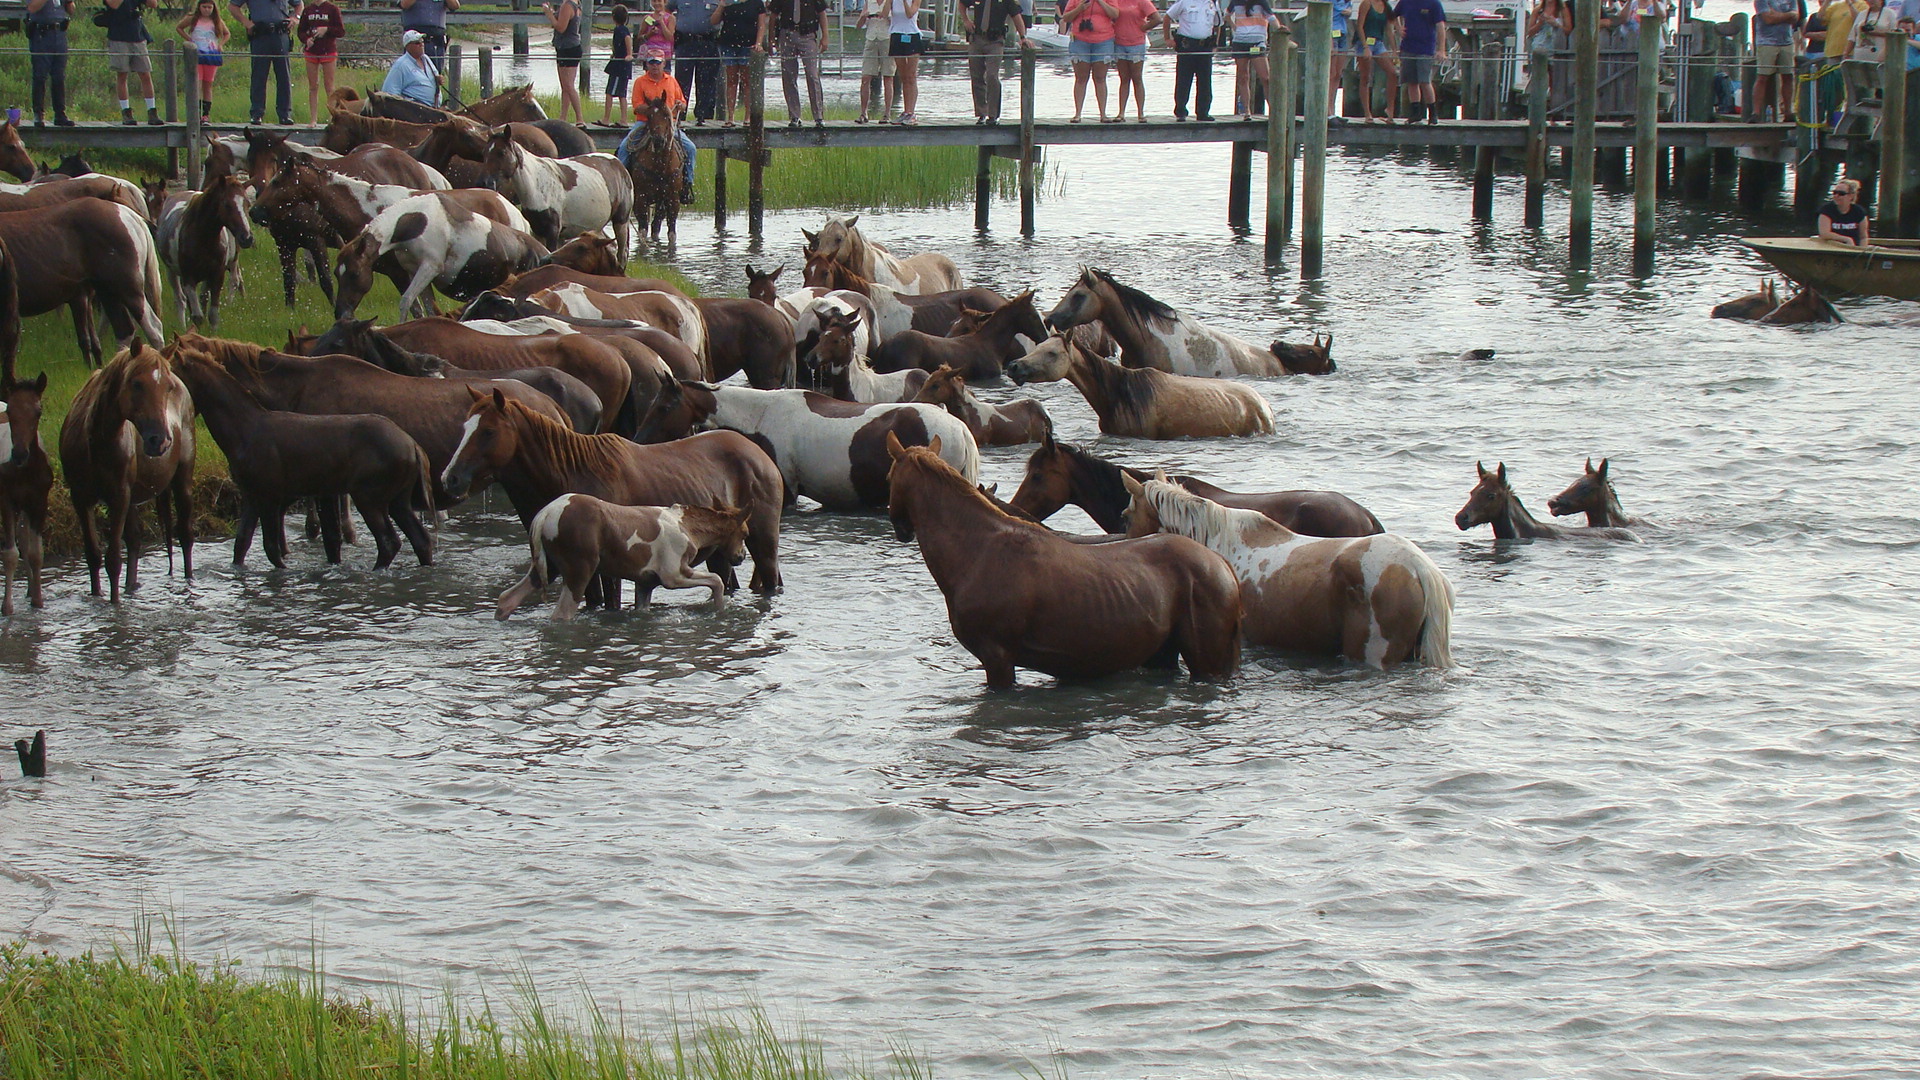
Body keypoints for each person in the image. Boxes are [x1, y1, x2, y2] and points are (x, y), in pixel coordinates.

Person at [620, 47, 698, 202]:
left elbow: (682, 102)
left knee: (691, 148)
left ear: (664, 64)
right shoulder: (640, 82)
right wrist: (653, 110)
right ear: (646, 64)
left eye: (657, 62)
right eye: (651, 62)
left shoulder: (671, 81)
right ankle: (621, 182)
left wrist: (680, 105)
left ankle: (687, 183)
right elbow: (637, 106)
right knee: (624, 147)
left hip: (668, 125)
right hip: (645, 123)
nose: (654, 66)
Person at [961, 0, 1029, 124]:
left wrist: (1023, 37)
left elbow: (1016, 16)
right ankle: (981, 113)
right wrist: (966, 20)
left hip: (995, 41)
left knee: (992, 75)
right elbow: (961, 4)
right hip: (976, 39)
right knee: (976, 76)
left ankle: (993, 115)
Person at [229, 0, 294, 126]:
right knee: (259, 76)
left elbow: (299, 4)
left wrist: (295, 18)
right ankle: (257, 113)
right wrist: (246, 23)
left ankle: (285, 114)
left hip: (280, 34)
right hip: (260, 34)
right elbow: (232, 6)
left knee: (284, 76)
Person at [102, 0, 164, 126]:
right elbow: (113, 4)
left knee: (145, 73)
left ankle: (152, 111)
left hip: (137, 35)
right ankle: (126, 111)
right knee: (122, 74)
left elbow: (153, 4)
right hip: (118, 35)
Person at [772, 0, 828, 129]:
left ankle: (818, 116)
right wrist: (772, 40)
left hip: (807, 35)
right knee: (789, 76)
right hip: (787, 34)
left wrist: (825, 36)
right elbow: (774, 15)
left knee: (812, 75)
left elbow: (822, 12)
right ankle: (794, 116)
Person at [1392, 0, 1446, 125]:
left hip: (1426, 48)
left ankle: (1433, 113)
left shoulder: (1434, 3)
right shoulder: (1405, 2)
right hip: (1408, 47)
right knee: (1411, 81)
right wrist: (1398, 28)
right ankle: (1415, 113)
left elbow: (1440, 26)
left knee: (1425, 81)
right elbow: (1392, 15)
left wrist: (1441, 49)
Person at [1062, 0, 1116, 122]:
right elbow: (1066, 17)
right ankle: (1078, 114)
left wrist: (1101, 2)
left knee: (1100, 78)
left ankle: (1103, 114)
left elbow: (1115, 14)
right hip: (1080, 41)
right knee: (1081, 78)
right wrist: (1079, 8)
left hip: (1103, 41)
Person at [715, 0, 767, 127]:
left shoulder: (756, 3)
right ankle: (730, 116)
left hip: (748, 45)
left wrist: (758, 43)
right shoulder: (728, 2)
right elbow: (714, 21)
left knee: (747, 81)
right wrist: (721, 6)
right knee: (731, 81)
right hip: (729, 44)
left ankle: (748, 116)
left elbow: (761, 25)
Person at [1163, 0, 1218, 121]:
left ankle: (1203, 112)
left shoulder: (1212, 4)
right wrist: (1167, 38)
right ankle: (1181, 112)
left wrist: (1215, 44)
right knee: (1184, 80)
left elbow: (1217, 24)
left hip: (1205, 46)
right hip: (1187, 45)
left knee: (1205, 81)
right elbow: (1167, 17)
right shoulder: (1184, 2)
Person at [25, 0, 75, 128]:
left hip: (59, 33)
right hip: (42, 34)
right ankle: (38, 113)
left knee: (59, 76)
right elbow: (32, 7)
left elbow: (72, 10)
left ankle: (60, 114)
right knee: (40, 75)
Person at [177, 0, 230, 120]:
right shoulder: (193, 19)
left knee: (208, 84)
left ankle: (205, 115)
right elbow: (179, 27)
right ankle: (194, 113)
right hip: (197, 54)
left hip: (211, 55)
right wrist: (189, 39)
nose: (207, 10)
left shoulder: (217, 21)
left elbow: (227, 34)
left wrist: (220, 44)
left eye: (209, 7)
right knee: (196, 83)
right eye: (204, 7)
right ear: (199, 7)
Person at [672, 0, 722, 126]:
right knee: (681, 83)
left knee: (707, 83)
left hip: (708, 42)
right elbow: (665, 11)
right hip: (685, 43)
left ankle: (704, 118)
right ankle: (678, 117)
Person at [1224, 0, 1274, 121]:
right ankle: (1247, 111)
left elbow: (1271, 17)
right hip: (1240, 42)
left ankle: (1273, 110)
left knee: (1266, 77)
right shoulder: (1235, 1)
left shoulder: (1262, 1)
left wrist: (1280, 28)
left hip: (1257, 42)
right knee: (1243, 76)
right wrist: (1234, 26)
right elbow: (1226, 15)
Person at [296, 0, 343, 125]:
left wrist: (326, 29)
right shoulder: (307, 10)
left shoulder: (332, 9)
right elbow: (300, 31)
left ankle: (332, 118)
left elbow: (340, 31)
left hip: (328, 51)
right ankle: (313, 119)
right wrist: (306, 39)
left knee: (329, 86)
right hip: (312, 51)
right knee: (313, 86)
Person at [1754, 0, 1802, 123]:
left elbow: (1795, 17)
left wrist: (1776, 15)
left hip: (1787, 42)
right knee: (1762, 77)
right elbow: (1767, 19)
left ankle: (1788, 112)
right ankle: (1756, 113)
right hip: (1766, 42)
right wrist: (1787, 15)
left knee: (1788, 76)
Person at [1109, 0, 1155, 122]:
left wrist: (1144, 28)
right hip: (1119, 43)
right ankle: (1121, 113)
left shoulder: (1142, 2)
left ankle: (1141, 113)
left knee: (1137, 78)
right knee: (1123, 78)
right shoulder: (1116, 1)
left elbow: (1157, 18)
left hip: (1136, 44)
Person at [1357, 0, 1399, 120]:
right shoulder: (1366, 4)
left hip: (1378, 43)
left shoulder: (1385, 6)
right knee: (1366, 77)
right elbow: (1360, 26)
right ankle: (1367, 113)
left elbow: (1389, 30)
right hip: (1364, 42)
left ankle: (1390, 110)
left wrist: (1394, 50)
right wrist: (1365, 47)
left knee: (1393, 73)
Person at [856, 0, 895, 123]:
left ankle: (887, 114)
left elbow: (897, 22)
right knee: (865, 77)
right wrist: (863, 16)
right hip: (871, 39)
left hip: (886, 39)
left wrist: (886, 16)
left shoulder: (891, 2)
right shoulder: (869, 1)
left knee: (888, 77)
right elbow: (858, 25)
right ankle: (863, 113)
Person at [381, 28, 444, 106]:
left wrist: (438, 80)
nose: (421, 44)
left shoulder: (426, 59)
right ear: (407, 46)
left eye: (422, 41)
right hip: (415, 110)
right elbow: (389, 92)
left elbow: (436, 76)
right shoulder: (401, 65)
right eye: (417, 43)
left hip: (434, 108)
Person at [545, 0, 585, 124]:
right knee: (565, 86)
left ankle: (580, 118)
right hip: (569, 47)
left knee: (568, 85)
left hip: (567, 48)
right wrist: (554, 14)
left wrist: (549, 15)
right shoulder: (575, 4)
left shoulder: (567, 5)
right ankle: (563, 117)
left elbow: (561, 28)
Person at [1845, 0, 1889, 107]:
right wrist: (1845, 53)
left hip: (1879, 60)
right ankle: (1861, 120)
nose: (1871, 1)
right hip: (1860, 57)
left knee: (1880, 93)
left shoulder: (1889, 14)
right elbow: (1852, 36)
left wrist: (1875, 32)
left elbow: (1895, 35)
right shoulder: (1862, 14)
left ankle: (1878, 120)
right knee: (1860, 91)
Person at [398, 0, 458, 77]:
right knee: (412, 73)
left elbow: (455, 6)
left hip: (436, 41)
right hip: (415, 40)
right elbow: (405, 4)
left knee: (435, 74)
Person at [889, 0, 925, 125]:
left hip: (912, 34)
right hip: (897, 34)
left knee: (911, 76)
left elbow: (910, 14)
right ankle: (905, 112)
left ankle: (911, 112)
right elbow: (884, 13)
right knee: (903, 76)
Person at [603, 4, 634, 124]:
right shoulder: (621, 29)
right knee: (621, 94)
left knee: (611, 92)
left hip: (619, 67)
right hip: (619, 63)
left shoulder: (621, 30)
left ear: (613, 17)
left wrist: (629, 53)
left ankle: (607, 119)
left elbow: (627, 39)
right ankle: (623, 119)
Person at [1818, 177, 1870, 244]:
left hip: (1853, 248)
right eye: (1835, 193)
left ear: (1851, 196)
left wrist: (1861, 250)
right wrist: (1846, 239)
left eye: (1841, 193)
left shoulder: (1859, 212)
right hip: (1832, 246)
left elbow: (1863, 237)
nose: (1836, 196)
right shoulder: (1826, 210)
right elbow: (1824, 234)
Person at [1328, 0, 1354, 116]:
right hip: (1332, 33)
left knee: (1338, 73)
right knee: (1331, 73)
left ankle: (1333, 109)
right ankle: (1328, 110)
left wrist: (1349, 12)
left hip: (1343, 33)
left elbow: (1349, 10)